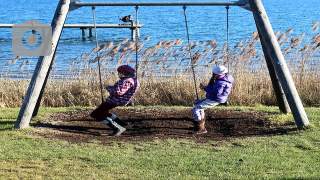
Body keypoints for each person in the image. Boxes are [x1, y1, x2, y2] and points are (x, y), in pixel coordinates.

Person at [90, 65, 140, 136]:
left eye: (120, 72)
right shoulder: (134, 80)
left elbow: (118, 92)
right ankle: (121, 122)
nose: (119, 74)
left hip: (115, 101)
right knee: (103, 112)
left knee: (94, 114)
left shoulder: (126, 81)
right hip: (119, 100)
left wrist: (108, 87)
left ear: (124, 73)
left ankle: (117, 128)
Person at [190, 65, 234, 135]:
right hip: (215, 98)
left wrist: (205, 88)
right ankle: (200, 126)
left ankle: (200, 128)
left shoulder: (220, 82)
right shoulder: (223, 78)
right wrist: (205, 87)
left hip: (215, 99)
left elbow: (216, 92)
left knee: (195, 109)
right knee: (200, 108)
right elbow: (215, 89)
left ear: (216, 73)